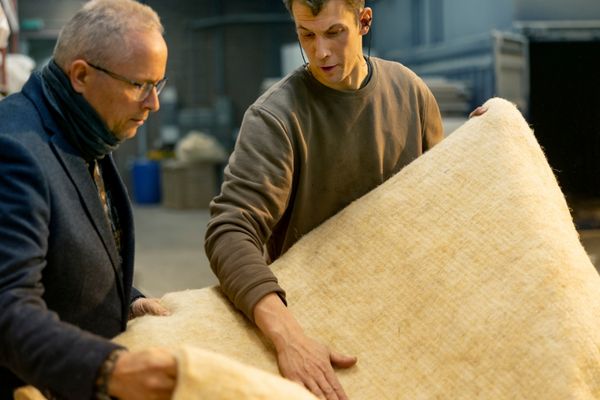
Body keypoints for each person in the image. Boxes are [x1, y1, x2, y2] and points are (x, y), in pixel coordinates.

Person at [205, 0, 445, 398]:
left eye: (335, 33)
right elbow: (230, 231)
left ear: (364, 22)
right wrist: (288, 337)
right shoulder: (275, 118)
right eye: (307, 35)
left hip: (404, 309)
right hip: (312, 318)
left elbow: (442, 199)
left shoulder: (411, 93)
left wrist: (480, 145)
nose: (321, 52)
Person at [0, 1, 177, 399]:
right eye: (139, 85)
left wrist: (126, 300)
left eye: (158, 84)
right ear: (80, 74)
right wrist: (107, 367)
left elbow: (67, 250)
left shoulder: (84, 128)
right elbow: (7, 306)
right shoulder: (14, 150)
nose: (154, 103)